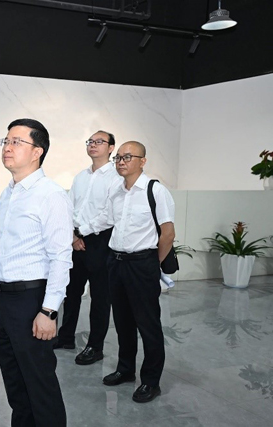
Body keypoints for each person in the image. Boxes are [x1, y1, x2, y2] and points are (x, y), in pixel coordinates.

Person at [0, 118, 73, 426]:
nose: (7, 147)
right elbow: (3, 245)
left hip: (32, 300)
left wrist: (49, 311)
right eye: (6, 141)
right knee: (14, 380)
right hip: (5, 298)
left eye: (16, 142)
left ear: (38, 151)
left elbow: (61, 257)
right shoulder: (8, 193)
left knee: (39, 382)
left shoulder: (51, 195)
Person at [95, 141, 175, 403]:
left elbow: (167, 233)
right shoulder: (116, 191)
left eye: (128, 157)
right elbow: (107, 221)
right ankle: (125, 369)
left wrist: (152, 264)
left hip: (142, 264)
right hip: (116, 263)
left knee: (148, 324)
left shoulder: (156, 190)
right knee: (122, 322)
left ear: (143, 161)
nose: (121, 161)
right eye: (118, 157)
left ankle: (151, 381)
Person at [54, 131, 122, 366]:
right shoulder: (81, 176)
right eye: (90, 142)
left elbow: (109, 214)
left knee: (100, 297)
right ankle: (65, 337)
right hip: (76, 240)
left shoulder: (116, 177)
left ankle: (95, 346)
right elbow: (69, 207)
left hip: (100, 242)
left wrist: (82, 231)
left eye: (99, 142)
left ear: (111, 148)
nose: (93, 145)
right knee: (71, 292)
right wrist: (73, 235)